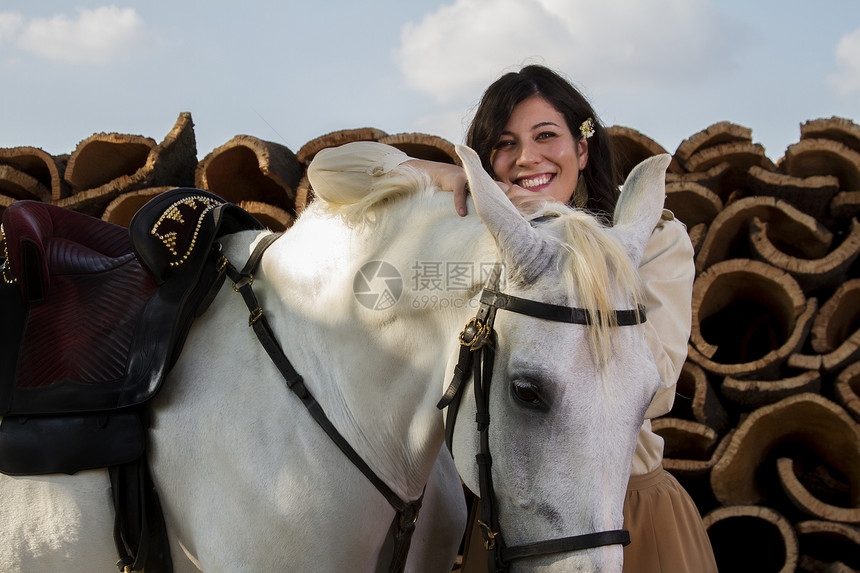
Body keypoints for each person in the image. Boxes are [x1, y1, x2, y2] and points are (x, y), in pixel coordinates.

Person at [308, 64, 718, 573]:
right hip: (514, 518)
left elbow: (651, 387)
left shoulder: (646, 240)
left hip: (625, 512)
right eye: (505, 144)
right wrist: (443, 175)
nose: (528, 158)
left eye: (547, 135)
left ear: (582, 148)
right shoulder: (483, 237)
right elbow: (329, 170)